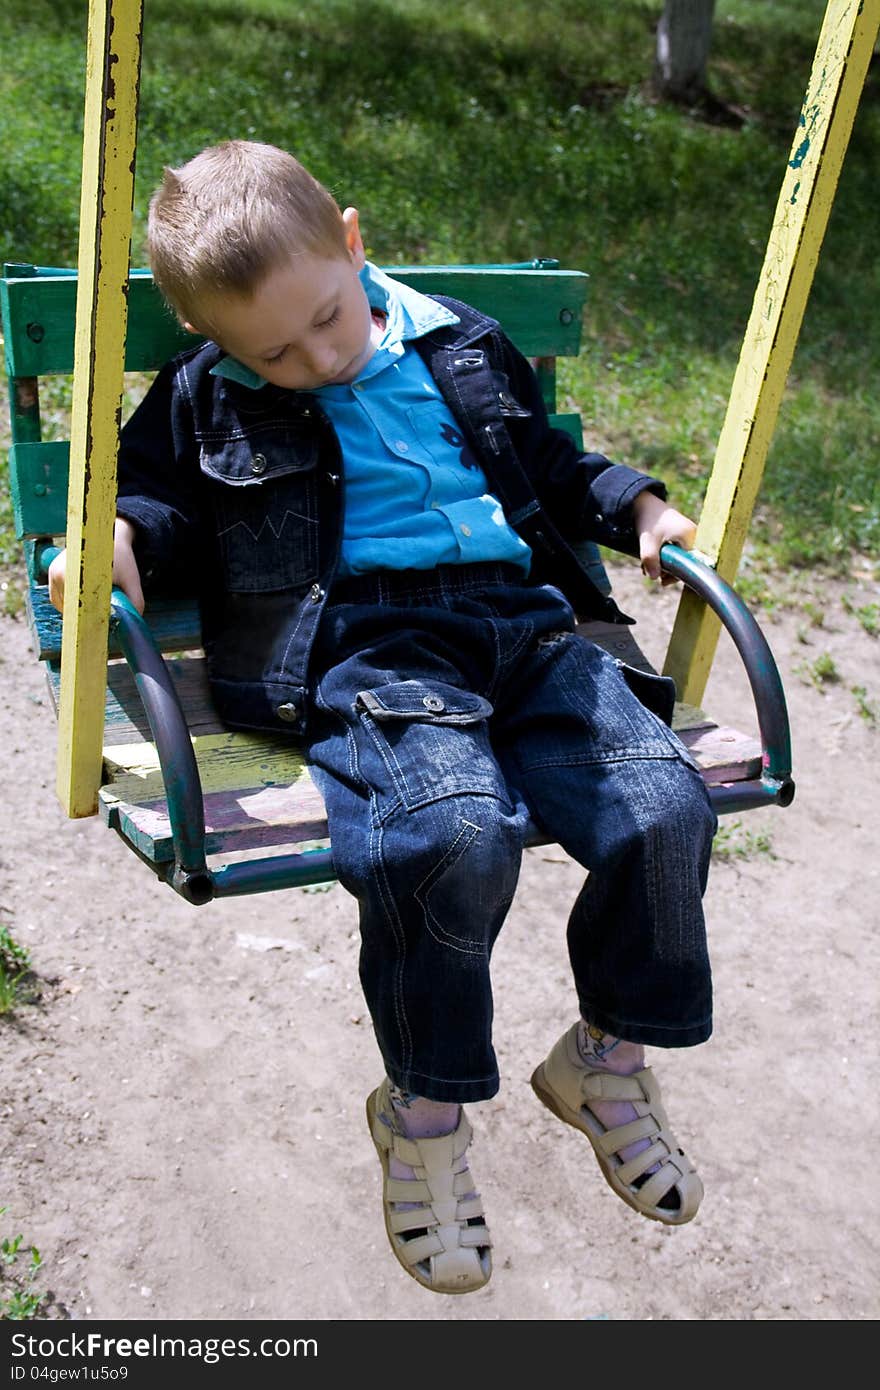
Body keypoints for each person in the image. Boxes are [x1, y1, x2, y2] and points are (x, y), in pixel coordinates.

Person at [49, 141, 717, 1296]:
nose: (313, 359)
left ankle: (603, 1059)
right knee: (450, 834)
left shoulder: (454, 338)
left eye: (326, 317)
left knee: (663, 802)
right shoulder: (210, 392)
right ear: (220, 343)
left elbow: (548, 462)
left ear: (353, 244)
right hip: (372, 645)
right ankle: (422, 1113)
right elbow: (150, 496)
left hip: (525, 622)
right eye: (273, 350)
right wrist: (111, 535)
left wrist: (637, 506)